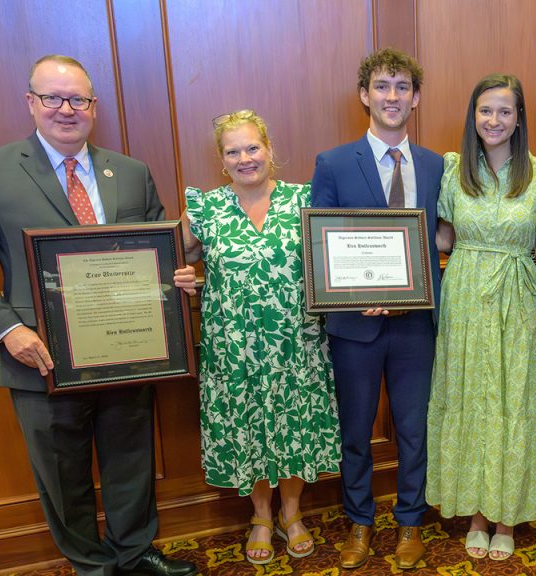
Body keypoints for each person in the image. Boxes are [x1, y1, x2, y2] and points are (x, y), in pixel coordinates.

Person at [0, 55, 197, 576]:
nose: (66, 109)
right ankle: (90, 565)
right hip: (42, 357)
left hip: (129, 347)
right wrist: (9, 332)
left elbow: (155, 253)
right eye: (53, 97)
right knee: (62, 472)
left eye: (78, 99)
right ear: (30, 103)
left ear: (93, 107)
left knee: (131, 459)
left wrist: (179, 279)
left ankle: (134, 552)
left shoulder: (129, 172)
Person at [172, 110, 341, 565]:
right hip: (235, 347)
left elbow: (337, 255)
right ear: (221, 160)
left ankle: (292, 513)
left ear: (269, 149)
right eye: (233, 151)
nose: (245, 158)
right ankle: (261, 516)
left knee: (292, 428)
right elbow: (171, 259)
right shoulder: (205, 209)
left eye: (252, 147)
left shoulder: (304, 198)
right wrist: (183, 276)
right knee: (249, 430)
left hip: (296, 342)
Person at [310, 47, 443, 571]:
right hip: (353, 327)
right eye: (383, 86)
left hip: (416, 327)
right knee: (356, 431)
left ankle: (410, 521)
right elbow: (318, 245)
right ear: (365, 95)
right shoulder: (334, 162)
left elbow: (440, 238)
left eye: (403, 86)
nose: (393, 96)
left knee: (414, 429)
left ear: (416, 97)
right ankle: (359, 523)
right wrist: (351, 293)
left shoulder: (435, 164)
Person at [425, 73, 536, 561]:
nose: (494, 120)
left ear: (519, 117)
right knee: (468, 400)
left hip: (518, 297)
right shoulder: (454, 168)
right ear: (473, 115)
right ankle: (475, 513)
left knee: (513, 402)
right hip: (462, 297)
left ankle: (506, 515)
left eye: (505, 110)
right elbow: (440, 239)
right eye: (486, 110)